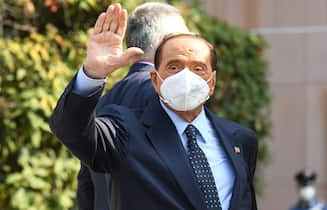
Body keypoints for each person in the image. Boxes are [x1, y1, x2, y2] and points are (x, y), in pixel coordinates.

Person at [50, 3, 258, 210]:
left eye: (198, 68)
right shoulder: (125, 131)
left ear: (212, 82)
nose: (186, 77)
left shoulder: (240, 140)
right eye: (174, 66)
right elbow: (72, 131)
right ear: (155, 79)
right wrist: (93, 73)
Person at [75, 2, 189, 210]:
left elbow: (86, 188)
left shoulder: (101, 103)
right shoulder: (170, 97)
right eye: (184, 39)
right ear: (166, 44)